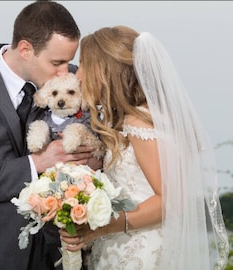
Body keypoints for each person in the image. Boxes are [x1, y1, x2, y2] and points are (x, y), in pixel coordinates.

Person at [0, 1, 100, 270]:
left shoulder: (71, 81)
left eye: (69, 61)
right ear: (25, 49)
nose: (66, 72)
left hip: (63, 256)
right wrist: (37, 164)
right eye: (57, 62)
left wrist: (93, 162)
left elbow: (102, 138)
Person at [59, 25, 229, 269]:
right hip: (119, 245)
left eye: (85, 64)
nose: (78, 75)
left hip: (140, 250)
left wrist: (103, 226)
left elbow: (169, 201)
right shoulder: (129, 119)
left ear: (105, 71)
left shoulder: (140, 122)